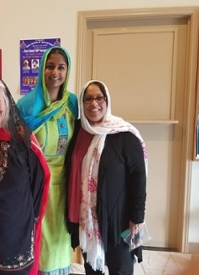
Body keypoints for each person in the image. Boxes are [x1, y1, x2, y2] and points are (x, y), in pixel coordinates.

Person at [65, 80, 148, 274]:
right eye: (88, 99)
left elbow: (138, 179)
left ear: (107, 100)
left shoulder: (124, 135)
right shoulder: (78, 132)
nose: (94, 103)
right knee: (92, 269)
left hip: (119, 221)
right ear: (82, 104)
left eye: (99, 97)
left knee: (121, 269)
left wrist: (137, 218)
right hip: (88, 221)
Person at [0, 76, 51, 275]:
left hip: (18, 231)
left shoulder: (23, 139)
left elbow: (38, 181)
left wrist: (30, 218)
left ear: (6, 102)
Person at [17, 46, 78, 274]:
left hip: (64, 183)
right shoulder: (26, 106)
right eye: (50, 66)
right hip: (35, 185)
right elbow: (16, 147)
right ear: (42, 68)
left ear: (67, 71)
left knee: (60, 239)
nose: (55, 72)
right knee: (38, 240)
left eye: (61, 67)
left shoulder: (72, 103)